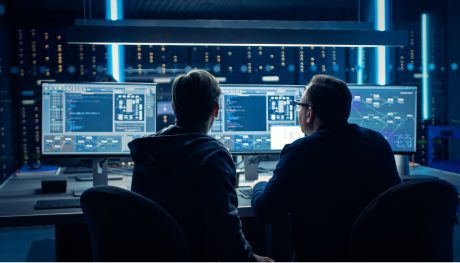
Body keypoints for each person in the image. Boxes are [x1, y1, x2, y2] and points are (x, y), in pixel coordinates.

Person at [250, 75, 401, 262]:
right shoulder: (378, 142)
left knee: (275, 252)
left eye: (300, 105)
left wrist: (258, 185)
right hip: (372, 255)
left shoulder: (300, 151)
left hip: (321, 256)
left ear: (309, 113)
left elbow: (264, 212)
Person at [129, 70, 274, 263]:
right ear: (215, 109)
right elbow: (225, 234)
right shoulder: (214, 155)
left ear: (173, 107)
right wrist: (253, 260)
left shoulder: (146, 150)